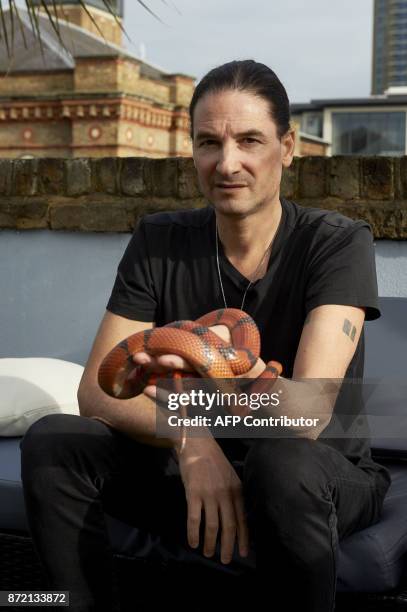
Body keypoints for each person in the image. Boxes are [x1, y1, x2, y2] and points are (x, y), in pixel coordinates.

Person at [20, 59, 391, 612]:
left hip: (320, 472)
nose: (228, 163)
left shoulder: (337, 242)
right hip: (192, 464)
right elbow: (97, 391)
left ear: (288, 147)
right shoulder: (158, 239)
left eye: (250, 140)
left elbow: (307, 415)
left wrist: (216, 390)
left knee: (280, 463)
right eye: (209, 143)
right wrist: (192, 442)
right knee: (54, 441)